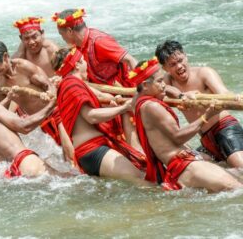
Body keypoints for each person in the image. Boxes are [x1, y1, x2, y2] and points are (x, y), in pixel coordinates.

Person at [132, 57, 243, 192]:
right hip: (185, 164)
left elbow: (158, 90)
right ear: (145, 85)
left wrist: (180, 95)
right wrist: (207, 115)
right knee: (237, 188)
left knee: (238, 174)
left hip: (183, 162)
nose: (163, 85)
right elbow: (178, 137)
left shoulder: (139, 102)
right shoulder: (152, 106)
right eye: (160, 81)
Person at [55, 47, 146, 180]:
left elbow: (98, 98)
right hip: (93, 149)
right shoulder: (71, 84)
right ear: (77, 64)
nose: (86, 64)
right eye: (84, 60)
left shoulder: (72, 84)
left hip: (91, 151)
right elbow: (90, 116)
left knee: (140, 176)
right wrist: (123, 108)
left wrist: (111, 102)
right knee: (139, 178)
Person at [0, 39, 73, 159]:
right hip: (37, 121)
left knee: (69, 153)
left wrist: (50, 95)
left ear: (6, 56)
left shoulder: (23, 67)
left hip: (55, 113)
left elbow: (48, 85)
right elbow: (6, 100)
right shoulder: (0, 79)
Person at [155, 40, 243, 168]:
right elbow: (157, 88)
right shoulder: (167, 81)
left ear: (186, 56)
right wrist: (181, 95)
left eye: (180, 60)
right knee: (184, 166)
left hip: (226, 130)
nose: (179, 66)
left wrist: (234, 98)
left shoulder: (204, 73)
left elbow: (225, 94)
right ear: (165, 68)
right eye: (173, 64)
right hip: (205, 140)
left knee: (241, 169)